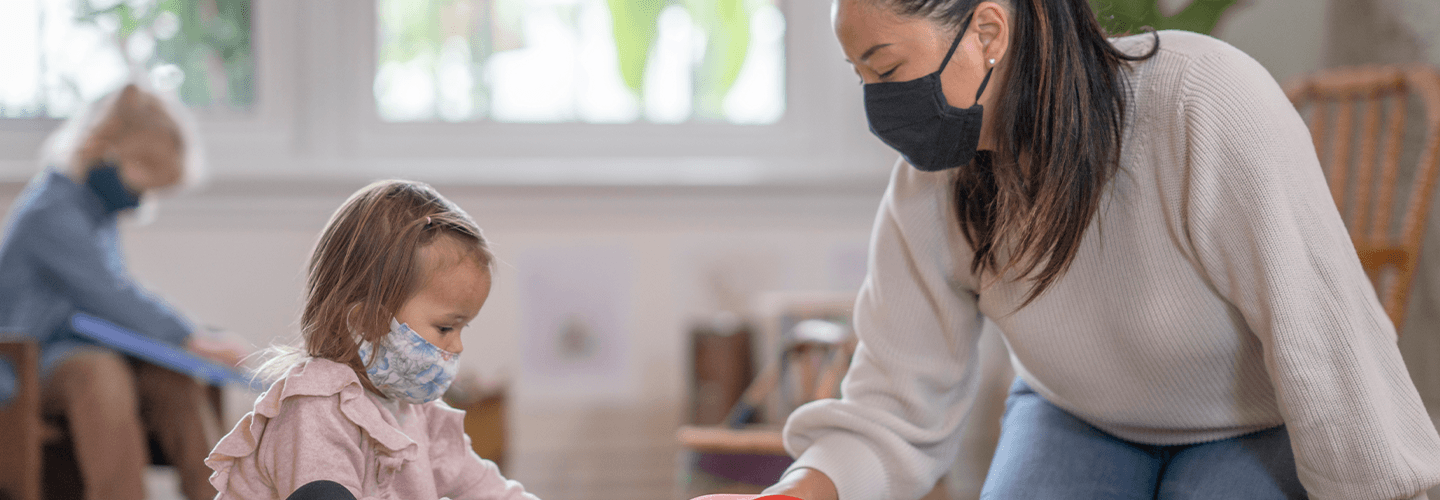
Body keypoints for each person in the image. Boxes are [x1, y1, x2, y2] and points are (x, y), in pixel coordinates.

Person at [761, 0, 1440, 499]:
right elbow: (892, 403)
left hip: (1252, 429)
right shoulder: (931, 179)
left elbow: (1321, 343)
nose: (880, 106)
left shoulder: (1203, 102)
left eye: (888, 69)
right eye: (861, 78)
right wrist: (791, 494)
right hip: (1074, 416)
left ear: (988, 32)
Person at [206, 180, 538, 500]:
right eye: (446, 328)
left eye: (464, 328)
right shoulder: (314, 411)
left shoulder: (421, 415)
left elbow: (488, 489)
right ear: (368, 321)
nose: (458, 346)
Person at [0, 83, 245, 500]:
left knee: (175, 378)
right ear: (104, 151)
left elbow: (117, 300)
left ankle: (219, 494)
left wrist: (186, 347)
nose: (139, 198)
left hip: (80, 349)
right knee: (99, 372)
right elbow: (110, 296)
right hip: (29, 360)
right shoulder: (51, 212)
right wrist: (190, 337)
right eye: (140, 179)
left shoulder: (95, 213)